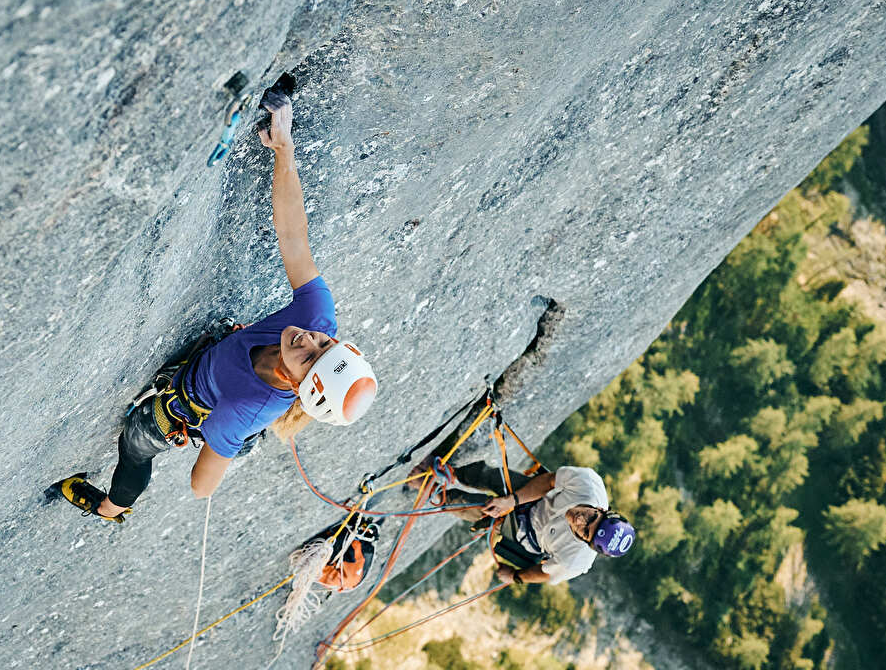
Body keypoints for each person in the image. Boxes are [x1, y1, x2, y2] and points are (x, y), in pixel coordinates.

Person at [50, 92, 378, 522]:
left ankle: (112, 507)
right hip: (218, 372)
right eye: (325, 342)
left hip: (197, 406)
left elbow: (201, 487)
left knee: (136, 440)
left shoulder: (243, 411)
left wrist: (220, 438)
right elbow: (294, 234)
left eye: (309, 357)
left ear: (298, 387)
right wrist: (285, 149)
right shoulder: (316, 316)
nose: (308, 339)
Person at [439, 460, 635, 584]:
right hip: (536, 497)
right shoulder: (588, 483)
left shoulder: (575, 561)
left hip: (524, 533)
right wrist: (513, 500)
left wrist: (515, 576)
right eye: (592, 517)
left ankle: (437, 494)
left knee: (474, 506)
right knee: (488, 476)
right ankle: (450, 472)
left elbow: (546, 573)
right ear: (601, 509)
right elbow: (550, 481)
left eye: (585, 531)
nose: (580, 520)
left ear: (586, 542)